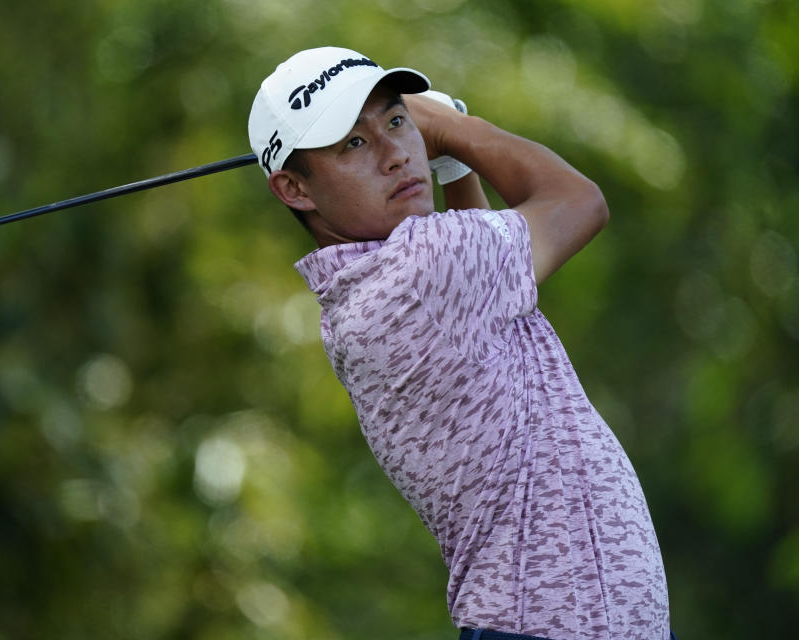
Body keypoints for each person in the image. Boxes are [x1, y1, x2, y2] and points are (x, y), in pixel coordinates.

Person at [248, 46, 671, 640]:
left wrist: (452, 170)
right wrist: (456, 130)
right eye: (354, 144)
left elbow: (496, 296)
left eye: (397, 121)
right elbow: (580, 202)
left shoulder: (370, 288)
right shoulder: (421, 272)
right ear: (294, 188)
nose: (397, 154)